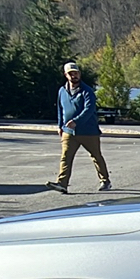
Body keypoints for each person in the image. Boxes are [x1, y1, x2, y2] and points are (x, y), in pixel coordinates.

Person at [46, 62, 110, 193]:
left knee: (96, 156)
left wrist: (76, 121)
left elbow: (89, 109)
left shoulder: (87, 91)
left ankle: (105, 181)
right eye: (71, 73)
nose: (74, 76)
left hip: (88, 131)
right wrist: (60, 126)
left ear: (79, 74)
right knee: (65, 157)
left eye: (76, 73)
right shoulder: (62, 91)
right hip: (68, 132)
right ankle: (62, 184)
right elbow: (60, 109)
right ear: (65, 75)